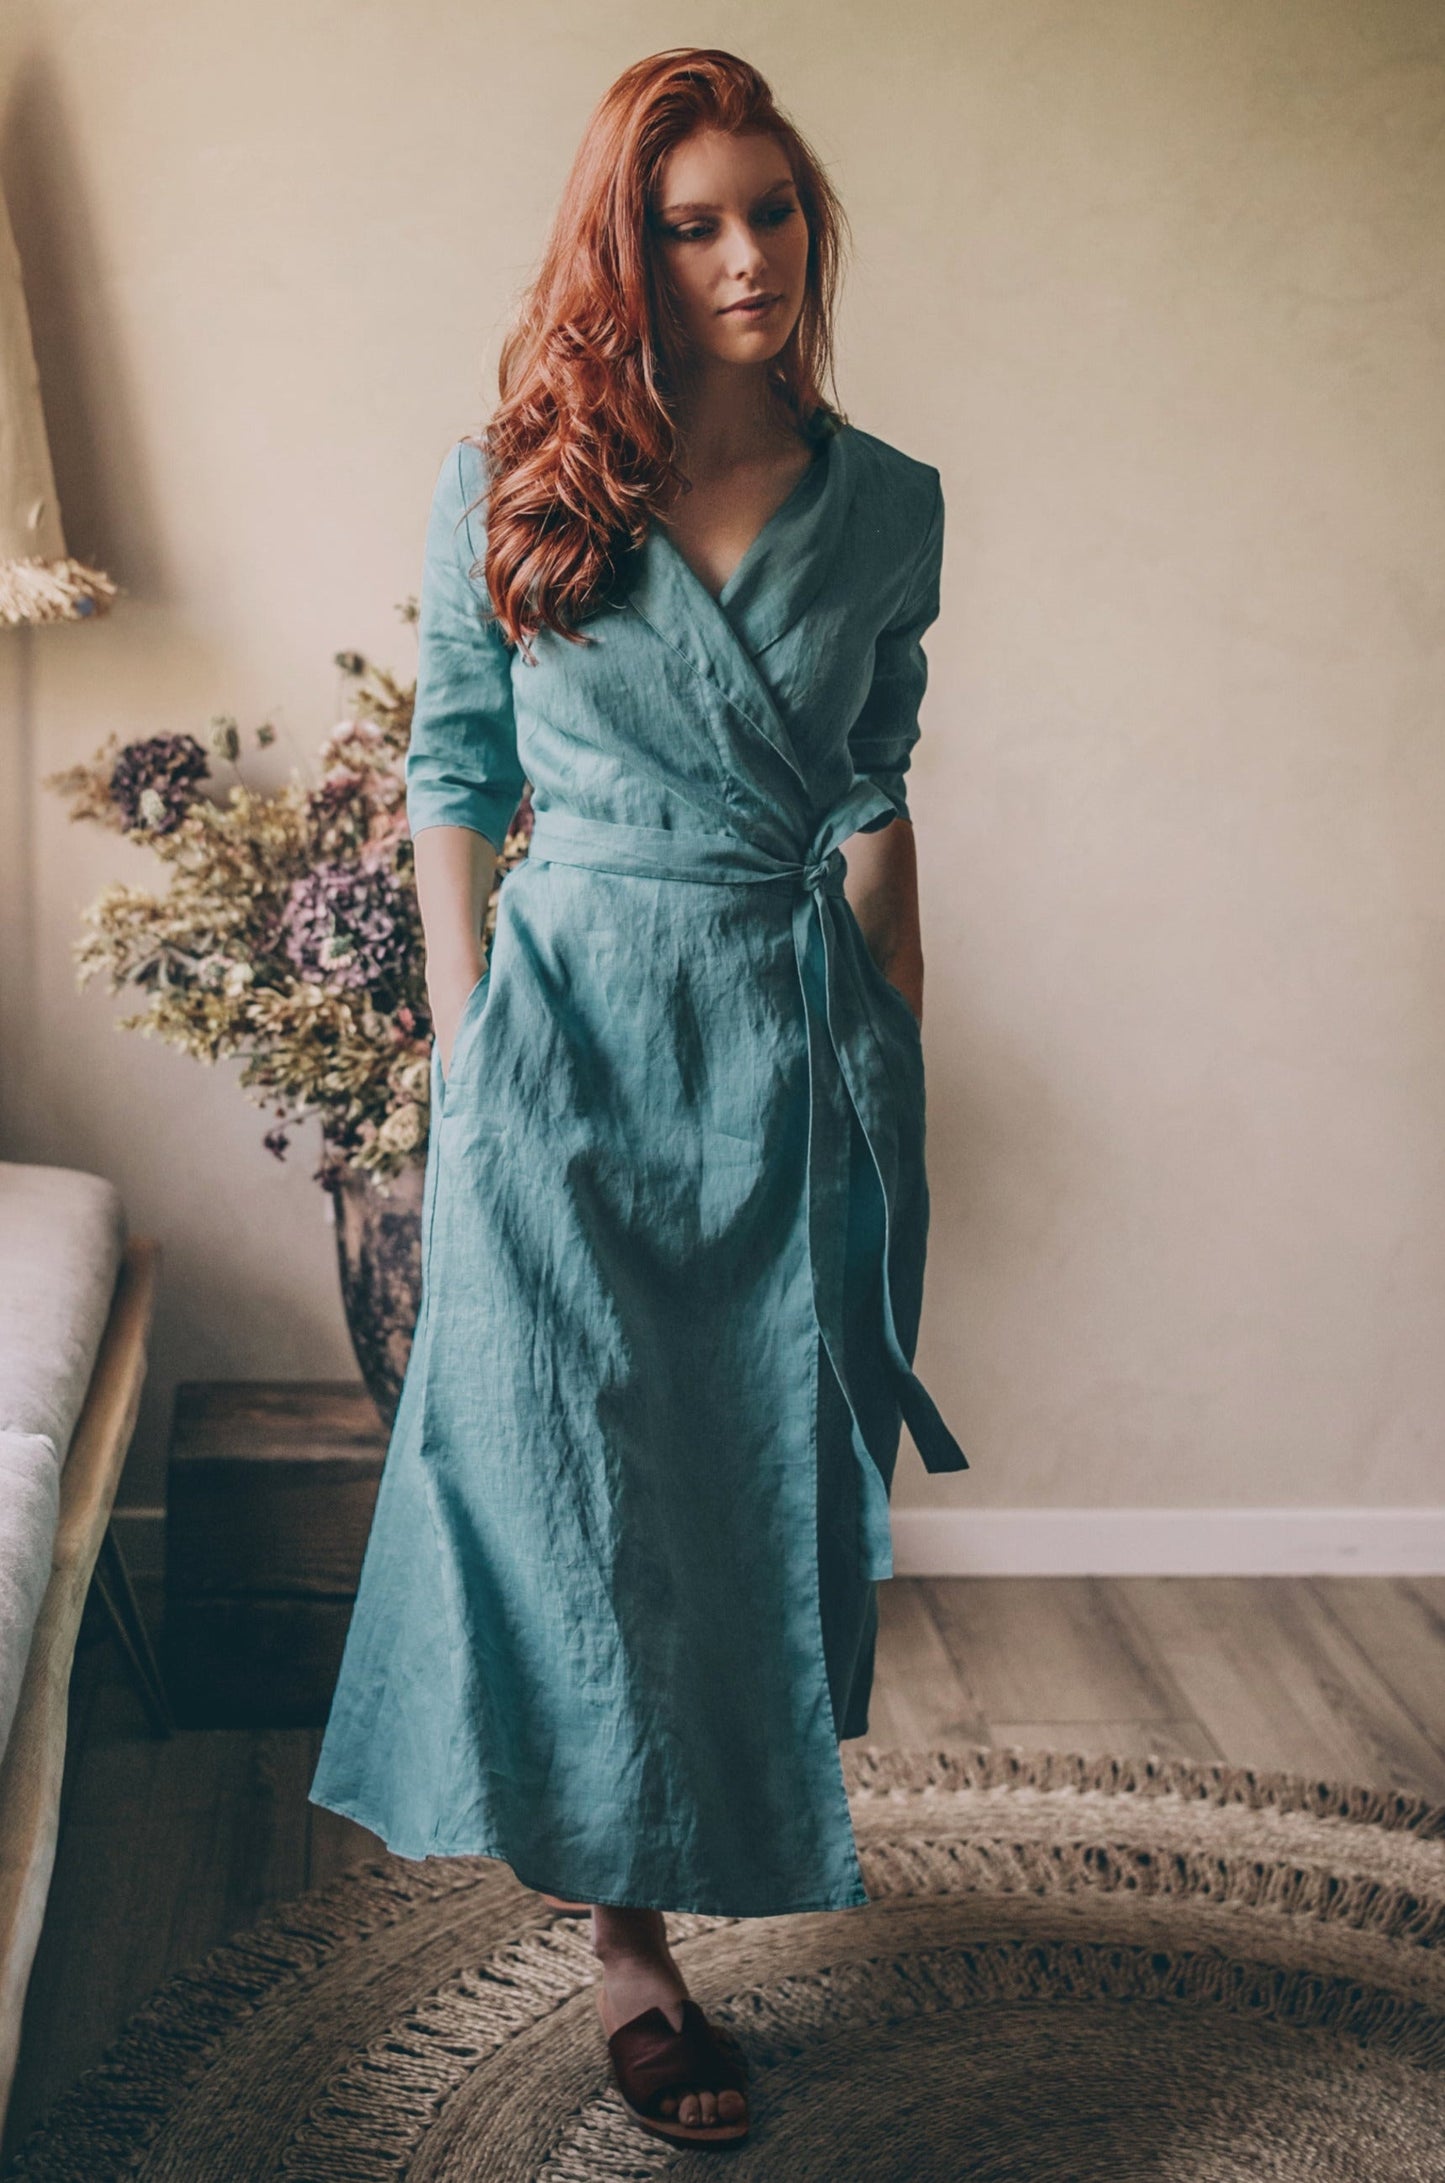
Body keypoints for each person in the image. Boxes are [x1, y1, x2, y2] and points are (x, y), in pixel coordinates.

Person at [308, 46, 969, 2148]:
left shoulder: (896, 505)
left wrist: (893, 1010)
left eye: (771, 208)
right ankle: (628, 1946)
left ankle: (695, 1872)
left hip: (792, 1057)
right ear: (633, 245)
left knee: (737, 1495)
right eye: (694, 221)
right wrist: (471, 1036)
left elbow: (878, 769)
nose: (746, 253)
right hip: (571, 1042)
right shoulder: (514, 477)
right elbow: (455, 783)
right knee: (571, 1503)